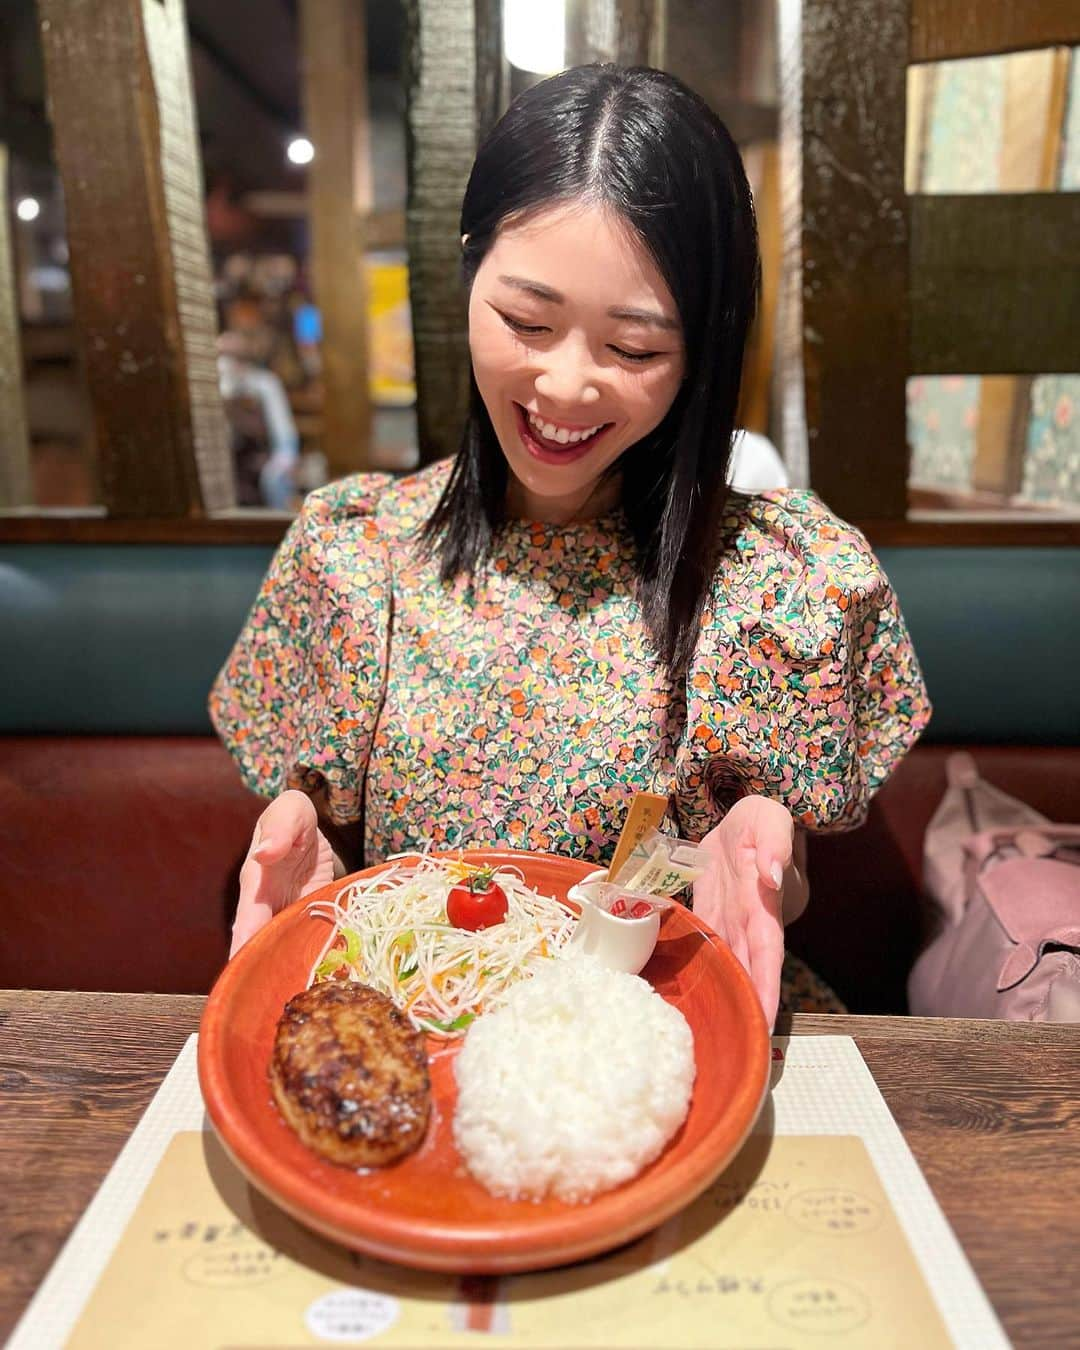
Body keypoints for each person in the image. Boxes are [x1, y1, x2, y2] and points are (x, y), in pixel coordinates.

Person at [210, 65, 931, 1027]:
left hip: (659, 1035)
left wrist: (765, 862)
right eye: (526, 321)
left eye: (633, 348)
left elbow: (771, 883)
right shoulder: (358, 556)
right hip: (427, 1032)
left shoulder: (771, 580)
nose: (564, 388)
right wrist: (321, 871)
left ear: (705, 348)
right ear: (470, 275)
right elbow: (340, 863)